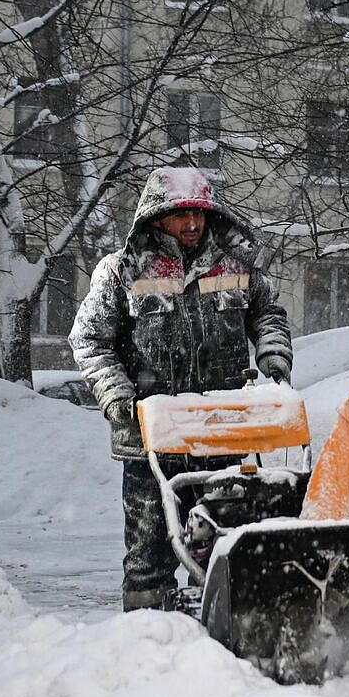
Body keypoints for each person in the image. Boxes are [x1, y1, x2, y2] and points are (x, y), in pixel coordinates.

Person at [69, 167, 293, 611]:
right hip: (152, 438)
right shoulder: (122, 271)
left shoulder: (236, 265)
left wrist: (273, 353)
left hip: (223, 431)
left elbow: (267, 312)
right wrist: (117, 395)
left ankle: (223, 628)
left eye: (199, 214)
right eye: (180, 215)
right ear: (155, 217)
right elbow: (89, 339)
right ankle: (147, 629)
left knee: (226, 544)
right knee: (149, 554)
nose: (192, 224)